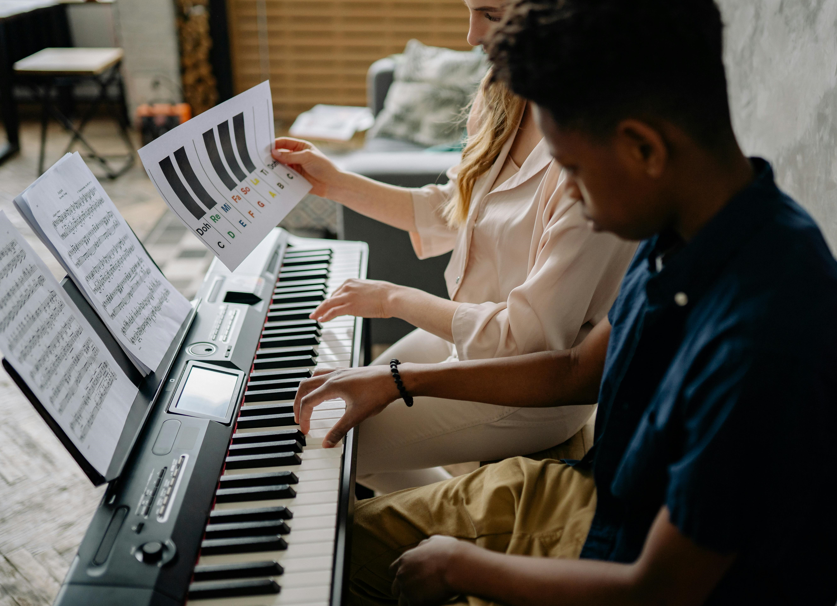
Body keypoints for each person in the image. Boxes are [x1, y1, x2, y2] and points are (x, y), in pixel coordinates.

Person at [293, 0, 837, 604]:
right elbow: (578, 369)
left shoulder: (761, 336)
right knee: (338, 543)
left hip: (620, 551)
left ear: (643, 149)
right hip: (588, 494)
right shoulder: (691, 228)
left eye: (572, 168)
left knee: (330, 577)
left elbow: (658, 589)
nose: (572, 197)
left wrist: (461, 569)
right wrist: (398, 379)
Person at [272, 0, 636, 493]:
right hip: (465, 335)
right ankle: (438, 515)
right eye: (468, 11)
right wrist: (335, 182)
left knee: (333, 436)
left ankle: (441, 534)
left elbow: (526, 343)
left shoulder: (589, 162)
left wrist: (394, 300)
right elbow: (456, 207)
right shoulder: (502, 91)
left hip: (525, 384)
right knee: (335, 409)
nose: (470, 37)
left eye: (490, 14)